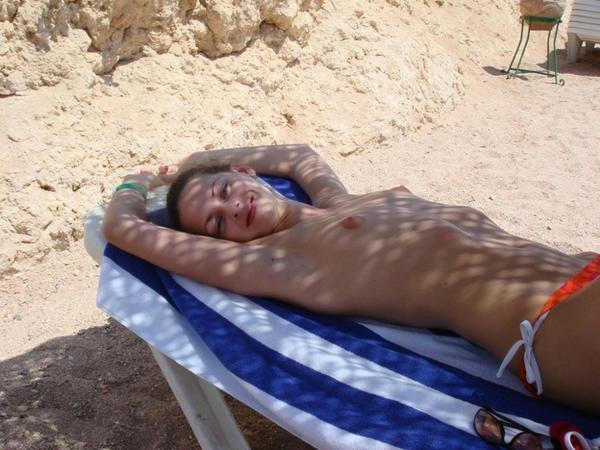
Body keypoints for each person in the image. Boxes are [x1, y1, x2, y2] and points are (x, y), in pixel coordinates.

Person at [103, 144, 600, 414]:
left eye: (225, 189)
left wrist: (190, 163)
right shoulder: (275, 260)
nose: (232, 208)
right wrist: (137, 183)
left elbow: (297, 154)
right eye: (216, 224)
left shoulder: (341, 201)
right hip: (556, 327)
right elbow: (123, 229)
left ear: (245, 171)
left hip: (581, 274)